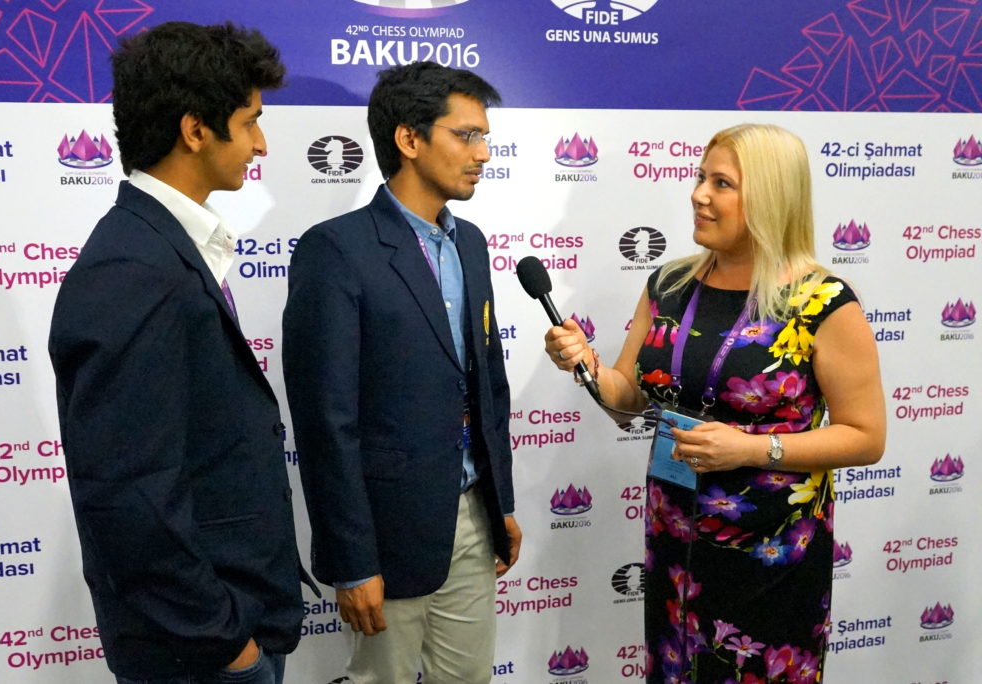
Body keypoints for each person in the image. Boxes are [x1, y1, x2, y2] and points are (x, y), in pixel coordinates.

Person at [544, 123, 885, 683]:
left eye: (721, 183)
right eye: (701, 177)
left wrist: (751, 449)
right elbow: (628, 401)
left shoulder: (823, 301)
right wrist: (586, 367)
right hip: (674, 541)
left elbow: (866, 437)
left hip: (772, 555)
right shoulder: (670, 283)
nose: (699, 194)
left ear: (770, 196)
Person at [48, 22, 316, 684]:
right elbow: (130, 493)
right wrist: (228, 646)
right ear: (195, 130)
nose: (261, 143)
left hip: (220, 633)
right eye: (250, 120)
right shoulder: (133, 269)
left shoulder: (163, 249)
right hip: (198, 656)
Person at [282, 61, 521, 684]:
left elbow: (487, 382)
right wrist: (352, 561)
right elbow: (325, 421)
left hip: (472, 515)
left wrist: (502, 501)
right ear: (409, 140)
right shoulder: (335, 249)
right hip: (386, 532)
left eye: (485, 136)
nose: (483, 153)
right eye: (466, 136)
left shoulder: (470, 243)